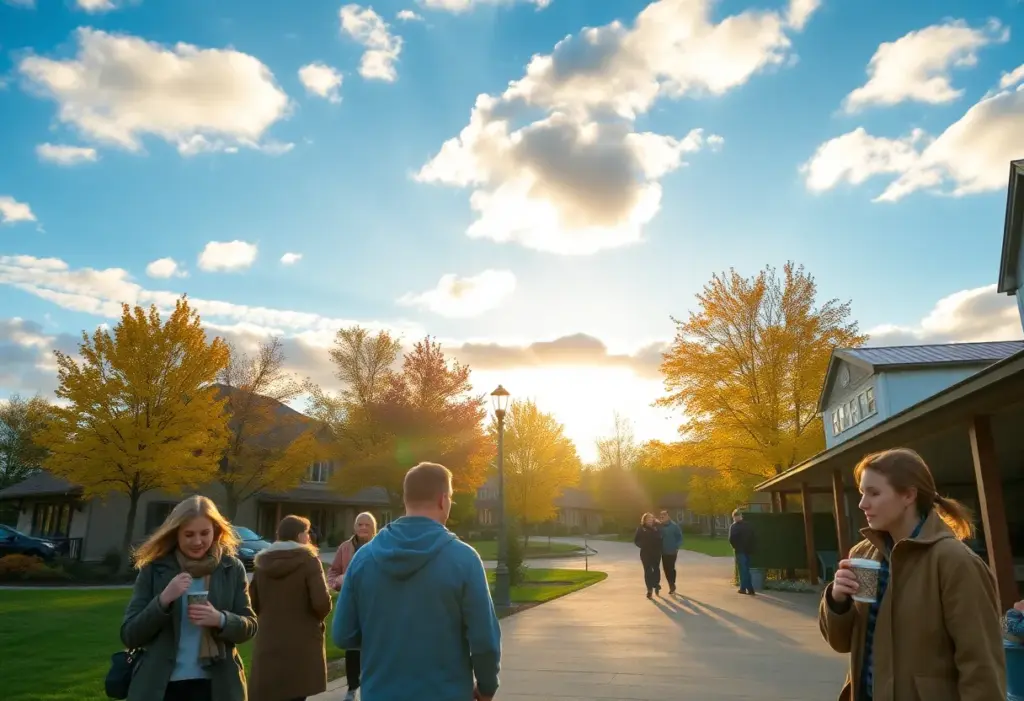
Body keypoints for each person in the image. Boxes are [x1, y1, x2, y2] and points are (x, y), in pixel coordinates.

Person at [820, 448, 1006, 701]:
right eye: (863, 493)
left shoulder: (954, 562)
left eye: (874, 493)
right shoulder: (863, 554)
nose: (862, 503)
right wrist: (837, 601)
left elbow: (981, 665)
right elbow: (842, 643)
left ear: (908, 495)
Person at [333, 462, 502, 701]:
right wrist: (487, 687)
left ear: (406, 500)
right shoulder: (464, 559)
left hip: (380, 693)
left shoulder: (363, 559)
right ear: (444, 500)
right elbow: (484, 641)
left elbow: (342, 634)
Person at [120, 495, 257, 701]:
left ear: (216, 532)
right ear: (176, 535)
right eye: (189, 534)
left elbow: (249, 627)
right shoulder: (155, 569)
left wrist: (220, 619)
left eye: (205, 533)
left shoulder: (231, 568)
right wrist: (163, 600)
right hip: (162, 687)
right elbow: (130, 635)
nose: (197, 541)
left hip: (216, 687)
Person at [249, 515, 332, 701]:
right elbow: (321, 603)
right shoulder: (309, 560)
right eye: (306, 533)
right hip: (301, 645)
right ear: (299, 535)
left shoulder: (262, 563)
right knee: (296, 694)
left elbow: (253, 603)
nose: (309, 538)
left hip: (268, 643)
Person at [326, 511, 378, 701]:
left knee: (375, 647)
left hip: (375, 605)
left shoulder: (381, 546)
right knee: (352, 647)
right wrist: (337, 581)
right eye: (360, 524)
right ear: (354, 527)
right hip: (351, 606)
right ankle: (352, 687)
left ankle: (372, 686)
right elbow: (333, 573)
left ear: (374, 528)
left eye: (367, 525)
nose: (363, 528)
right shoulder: (345, 548)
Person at [634, 512, 663, 599]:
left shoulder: (657, 528)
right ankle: (649, 590)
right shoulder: (641, 528)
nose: (650, 520)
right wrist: (642, 545)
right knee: (648, 571)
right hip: (645, 553)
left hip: (656, 552)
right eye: (648, 519)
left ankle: (656, 584)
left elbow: (661, 537)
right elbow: (636, 540)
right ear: (644, 520)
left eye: (651, 518)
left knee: (656, 569)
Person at [729, 509, 756, 595]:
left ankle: (747, 589)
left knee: (742, 570)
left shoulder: (734, 527)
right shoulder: (748, 525)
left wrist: (735, 547)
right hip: (748, 551)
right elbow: (753, 537)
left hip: (740, 551)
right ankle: (745, 588)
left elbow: (731, 539)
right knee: (746, 570)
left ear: (734, 517)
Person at [657, 510, 683, 594]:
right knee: (666, 569)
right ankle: (671, 584)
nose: (663, 517)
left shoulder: (674, 526)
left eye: (664, 516)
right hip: (663, 551)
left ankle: (672, 584)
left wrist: (677, 546)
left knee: (671, 568)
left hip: (672, 550)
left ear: (668, 516)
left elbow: (679, 537)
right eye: (661, 516)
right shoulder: (659, 526)